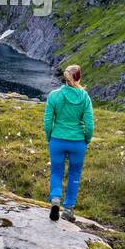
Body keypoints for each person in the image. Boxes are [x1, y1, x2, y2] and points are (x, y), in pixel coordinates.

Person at [43, 63, 94, 222]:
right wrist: (86, 139)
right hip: (78, 142)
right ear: (78, 78)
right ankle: (69, 210)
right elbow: (89, 124)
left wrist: (49, 138)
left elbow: (47, 121)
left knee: (56, 171)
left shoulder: (54, 95)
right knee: (74, 174)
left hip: (57, 140)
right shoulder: (84, 97)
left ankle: (55, 199)